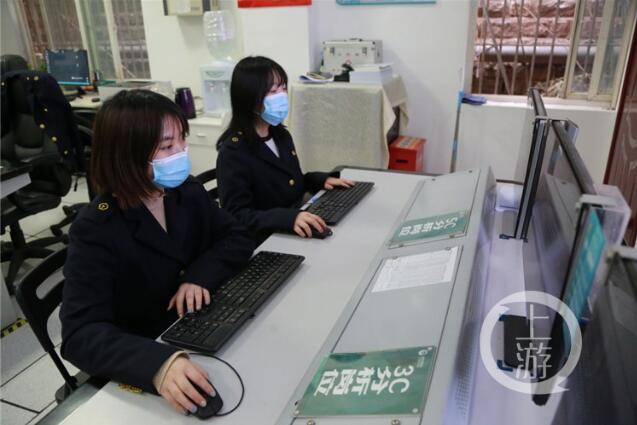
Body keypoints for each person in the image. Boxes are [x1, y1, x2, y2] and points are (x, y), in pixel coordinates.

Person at [60, 90, 254, 415]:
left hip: (202, 327)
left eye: (182, 140)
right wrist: (158, 364)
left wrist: (198, 277)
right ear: (127, 155)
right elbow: (80, 334)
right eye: (167, 147)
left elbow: (236, 236)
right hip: (153, 349)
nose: (181, 152)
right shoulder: (96, 228)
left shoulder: (184, 191)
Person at [216, 56, 354, 243]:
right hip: (266, 239)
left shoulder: (280, 134)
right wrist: (287, 219)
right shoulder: (233, 152)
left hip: (294, 224)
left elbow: (289, 182)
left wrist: (321, 180)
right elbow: (237, 215)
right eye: (273, 91)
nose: (281, 96)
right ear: (249, 97)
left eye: (282, 88)